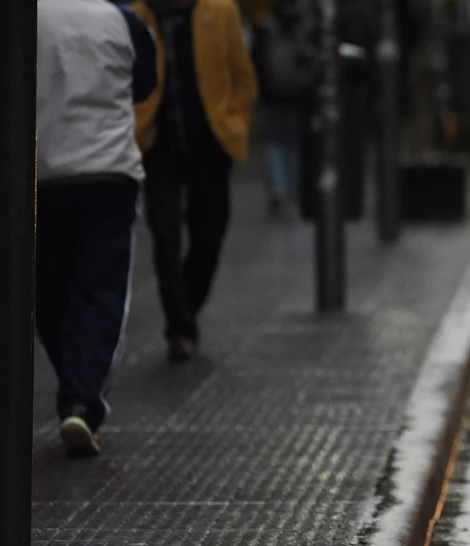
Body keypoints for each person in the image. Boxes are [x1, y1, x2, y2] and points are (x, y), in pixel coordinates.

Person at [36, 0, 157, 454]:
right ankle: (82, 401)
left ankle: (74, 386)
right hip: (108, 172)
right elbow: (146, 84)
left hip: (43, 172)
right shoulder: (122, 19)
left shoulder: (27, 17)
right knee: (100, 290)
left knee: (50, 290)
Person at [132, 0, 257, 361]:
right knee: (164, 232)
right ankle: (180, 327)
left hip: (211, 142)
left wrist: (235, 122)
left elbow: (242, 77)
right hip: (159, 145)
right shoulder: (139, 17)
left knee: (209, 235)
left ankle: (186, 306)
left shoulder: (220, 12)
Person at [251, 0, 318, 217]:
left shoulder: (266, 23)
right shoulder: (308, 19)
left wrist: (260, 91)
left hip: (273, 92)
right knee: (295, 143)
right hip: (299, 90)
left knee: (274, 142)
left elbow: (256, 59)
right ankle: (293, 191)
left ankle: (278, 187)